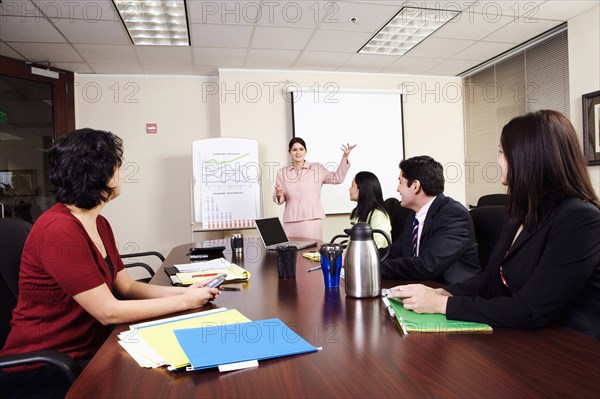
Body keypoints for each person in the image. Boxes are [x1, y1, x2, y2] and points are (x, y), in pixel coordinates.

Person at [0, 129, 220, 397]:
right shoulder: (58, 230)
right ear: (100, 173)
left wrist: (188, 291)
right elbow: (108, 312)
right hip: (45, 368)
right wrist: (185, 302)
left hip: (90, 350)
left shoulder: (98, 222)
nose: (123, 173)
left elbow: (126, 286)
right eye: (119, 166)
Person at [387, 110, 600, 338]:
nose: (498, 160)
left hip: (570, 347)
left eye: (501, 152)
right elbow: (490, 280)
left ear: (526, 156)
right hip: (522, 336)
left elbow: (530, 310)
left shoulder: (580, 219)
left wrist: (441, 305)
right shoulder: (521, 212)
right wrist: (441, 292)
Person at [380, 155, 481, 284]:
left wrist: (375, 269)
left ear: (416, 186)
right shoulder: (413, 215)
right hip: (424, 286)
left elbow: (426, 266)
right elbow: (395, 252)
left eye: (400, 182)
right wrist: (364, 258)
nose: (397, 189)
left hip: (452, 292)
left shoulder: (453, 214)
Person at [273, 137, 355, 241]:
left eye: (301, 149)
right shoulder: (282, 172)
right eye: (294, 150)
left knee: (311, 254)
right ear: (289, 152)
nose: (298, 152)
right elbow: (279, 199)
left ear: (306, 151)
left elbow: (337, 178)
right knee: (290, 253)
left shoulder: (317, 168)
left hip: (312, 221)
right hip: (290, 221)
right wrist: (278, 194)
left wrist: (344, 157)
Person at [349, 171, 392, 248]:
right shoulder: (358, 212)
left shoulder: (378, 215)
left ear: (361, 189)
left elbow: (378, 246)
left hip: (374, 258)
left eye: (352, 186)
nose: (349, 189)